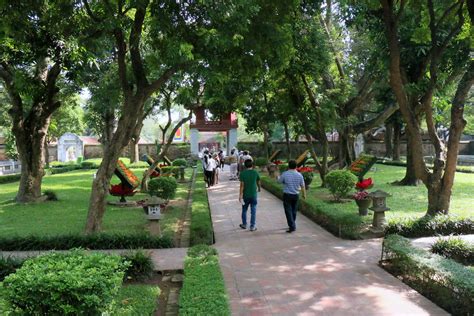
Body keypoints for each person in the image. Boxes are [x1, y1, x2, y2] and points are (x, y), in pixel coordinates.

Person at [278, 159, 306, 233]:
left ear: (288, 166)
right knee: (294, 210)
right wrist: (304, 195)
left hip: (287, 195)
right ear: (296, 166)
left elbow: (279, 181)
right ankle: (292, 223)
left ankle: (292, 226)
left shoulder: (285, 174)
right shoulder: (299, 175)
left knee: (288, 211)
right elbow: (303, 186)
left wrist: (278, 177)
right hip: (296, 195)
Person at [239, 159, 261, 231]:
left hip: (246, 195)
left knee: (244, 210)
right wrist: (259, 188)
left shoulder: (242, 173)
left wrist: (240, 195)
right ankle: (252, 226)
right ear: (252, 165)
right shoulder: (255, 172)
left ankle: (244, 224)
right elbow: (258, 181)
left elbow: (242, 186)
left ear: (245, 165)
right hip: (253, 195)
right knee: (253, 210)